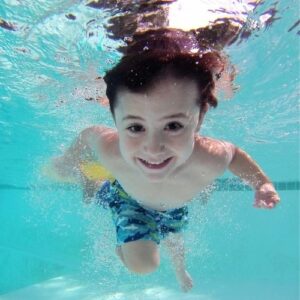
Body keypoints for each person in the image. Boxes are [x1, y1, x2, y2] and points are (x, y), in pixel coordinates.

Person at [51, 29, 280, 292]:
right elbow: (88, 135)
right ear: (116, 122)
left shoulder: (210, 156)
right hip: (129, 201)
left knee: (174, 237)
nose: (153, 148)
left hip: (174, 206)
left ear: (200, 118)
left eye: (173, 125)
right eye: (136, 128)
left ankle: (180, 270)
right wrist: (69, 159)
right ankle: (97, 187)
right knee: (143, 265)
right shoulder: (111, 149)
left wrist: (261, 183)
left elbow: (235, 155)